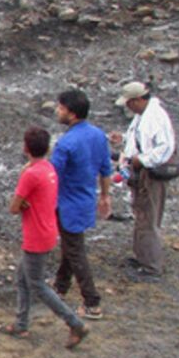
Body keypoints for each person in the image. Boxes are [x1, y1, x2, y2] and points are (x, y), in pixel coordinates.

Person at [1, 126, 88, 348]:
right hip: (48, 231)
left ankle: (74, 323)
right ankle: (21, 323)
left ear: (25, 148)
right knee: (23, 278)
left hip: (35, 237)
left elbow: (13, 207)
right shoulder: (49, 169)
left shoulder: (30, 174)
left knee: (37, 284)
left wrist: (22, 203)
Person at [50, 89, 113, 318]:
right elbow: (106, 169)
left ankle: (92, 301)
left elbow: (52, 174)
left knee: (75, 251)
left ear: (72, 113)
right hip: (85, 201)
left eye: (61, 108)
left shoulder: (66, 143)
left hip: (67, 204)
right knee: (71, 245)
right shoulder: (98, 135)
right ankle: (60, 286)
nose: (57, 111)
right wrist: (105, 196)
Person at [114, 81, 177, 278]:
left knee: (148, 218)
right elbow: (141, 139)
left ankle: (151, 266)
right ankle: (143, 257)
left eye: (129, 102)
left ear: (139, 99)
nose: (127, 106)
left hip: (150, 174)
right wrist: (123, 141)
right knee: (141, 215)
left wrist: (141, 160)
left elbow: (164, 148)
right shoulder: (143, 116)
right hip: (141, 172)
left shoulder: (155, 117)